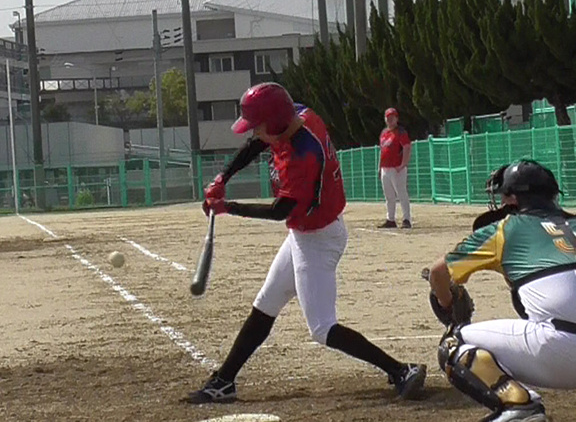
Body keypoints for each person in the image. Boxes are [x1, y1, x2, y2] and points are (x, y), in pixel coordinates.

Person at [186, 82, 427, 404]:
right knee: (266, 304)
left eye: (258, 125)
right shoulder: (296, 114)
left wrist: (227, 207)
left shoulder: (303, 156)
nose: (255, 132)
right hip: (305, 233)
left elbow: (280, 211)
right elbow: (257, 143)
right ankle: (224, 381)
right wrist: (223, 177)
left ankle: (401, 371)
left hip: (318, 239)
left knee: (322, 328)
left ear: (275, 123)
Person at [428, 159, 576, 422]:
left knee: (453, 345)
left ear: (513, 200)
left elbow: (438, 272)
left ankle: (519, 407)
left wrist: (447, 303)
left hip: (563, 352)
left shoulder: (505, 229)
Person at [378, 108, 412, 229]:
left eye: (392, 117)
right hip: (385, 168)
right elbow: (382, 150)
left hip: (397, 168)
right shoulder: (384, 133)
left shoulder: (400, 132)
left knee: (401, 193)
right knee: (389, 196)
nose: (390, 120)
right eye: (387, 117)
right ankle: (390, 219)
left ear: (397, 119)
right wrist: (379, 167)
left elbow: (407, 147)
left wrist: (403, 164)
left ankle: (406, 219)